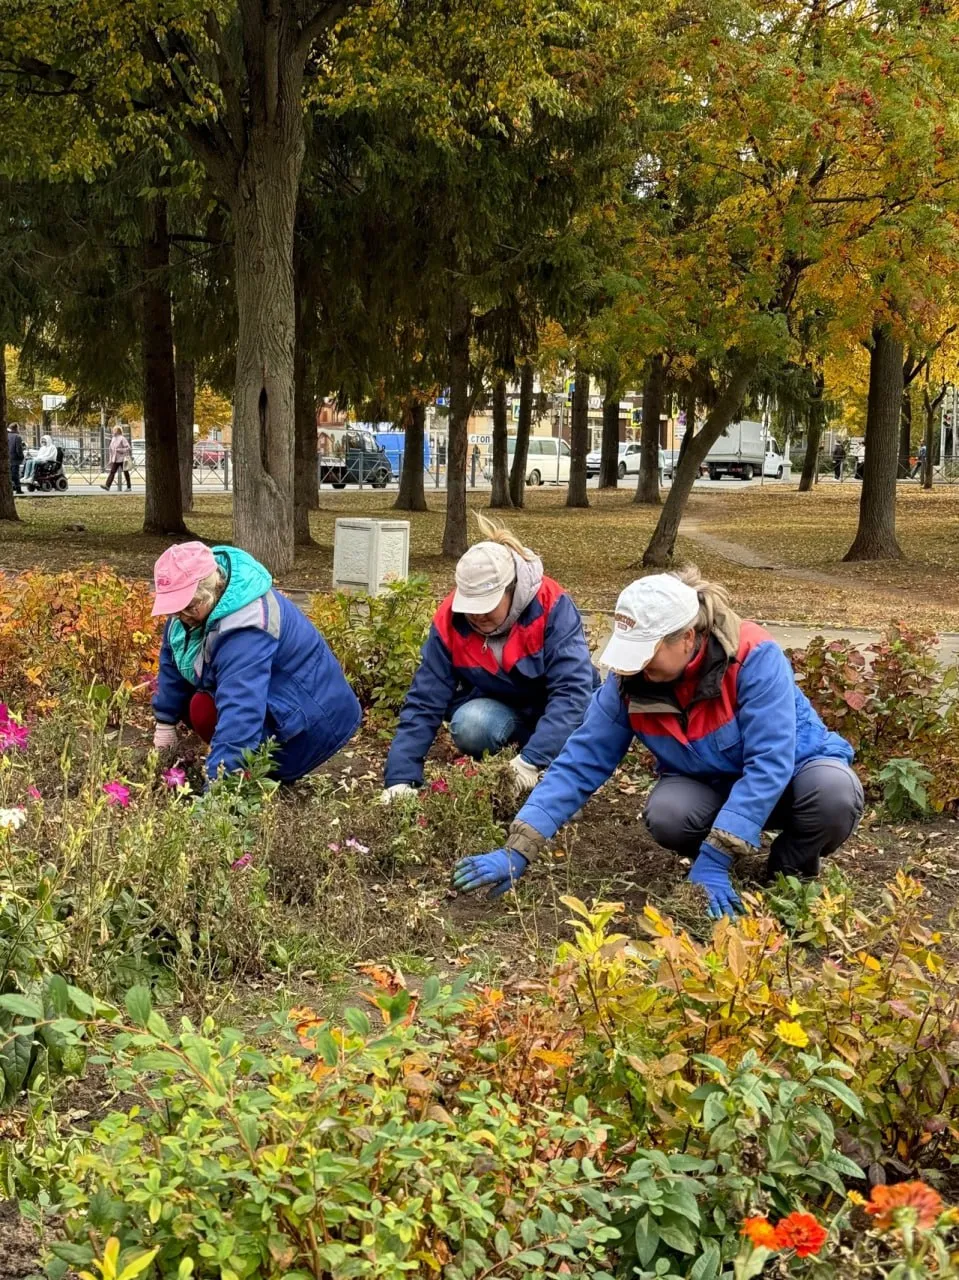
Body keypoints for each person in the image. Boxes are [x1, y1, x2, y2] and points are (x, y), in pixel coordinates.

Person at [454, 568, 862, 911]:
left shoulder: (753, 657)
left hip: (795, 777)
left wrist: (716, 858)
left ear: (687, 637)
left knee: (833, 794)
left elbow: (770, 763)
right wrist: (518, 847)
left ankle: (787, 870)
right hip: (710, 785)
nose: (639, 665)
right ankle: (730, 844)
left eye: (648, 651)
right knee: (669, 813)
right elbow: (580, 761)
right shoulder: (630, 682)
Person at [382, 515, 597, 801]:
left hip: (565, 714)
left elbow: (572, 693)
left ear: (513, 590)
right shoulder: (449, 622)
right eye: (471, 606)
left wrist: (531, 760)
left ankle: (555, 771)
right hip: (509, 713)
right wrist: (400, 778)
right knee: (471, 723)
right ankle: (522, 765)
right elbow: (425, 699)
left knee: (576, 728)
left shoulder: (552, 605)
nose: (478, 615)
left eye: (487, 605)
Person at [151, 541, 361, 785]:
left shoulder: (247, 627)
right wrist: (165, 722)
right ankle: (244, 769)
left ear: (213, 587)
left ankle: (264, 773)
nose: (182, 617)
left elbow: (241, 710)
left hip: (312, 720)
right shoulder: (193, 609)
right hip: (278, 698)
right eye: (176, 610)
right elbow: (173, 655)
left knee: (207, 710)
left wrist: (218, 792)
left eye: (188, 608)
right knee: (201, 706)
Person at [102, 426, 132, 491]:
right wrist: (111, 459)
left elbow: (128, 448)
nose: (113, 430)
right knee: (112, 472)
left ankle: (129, 487)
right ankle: (107, 485)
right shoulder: (113, 438)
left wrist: (120, 450)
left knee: (125, 472)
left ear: (118, 431)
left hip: (122, 459)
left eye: (114, 429)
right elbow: (111, 449)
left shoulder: (122, 438)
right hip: (115, 459)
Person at [7, 423, 24, 495]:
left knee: (10, 474)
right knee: (15, 474)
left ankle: (11, 487)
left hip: (8, 458)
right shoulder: (17, 437)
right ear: (16, 428)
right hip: (15, 458)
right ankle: (18, 489)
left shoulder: (6, 436)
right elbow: (19, 449)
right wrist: (22, 456)